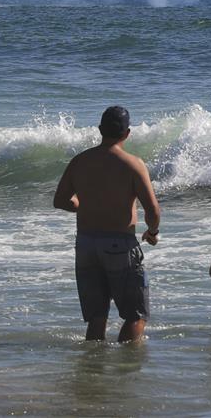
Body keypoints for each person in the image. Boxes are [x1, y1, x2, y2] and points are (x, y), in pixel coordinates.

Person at [53, 105, 161, 343]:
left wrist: (83, 206)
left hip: (86, 244)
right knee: (135, 315)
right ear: (127, 133)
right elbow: (153, 210)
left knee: (97, 316)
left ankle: (93, 372)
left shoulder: (80, 161)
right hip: (119, 244)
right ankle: (126, 373)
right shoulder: (133, 164)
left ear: (100, 130)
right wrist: (152, 232)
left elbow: (60, 200)